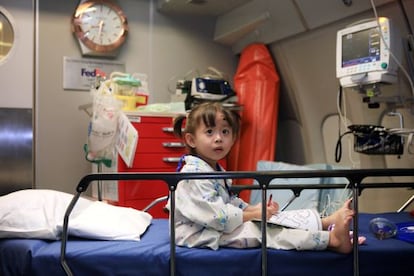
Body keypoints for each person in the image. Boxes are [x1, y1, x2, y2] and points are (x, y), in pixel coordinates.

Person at [167, 101, 354, 253]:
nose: (218, 138)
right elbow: (217, 217)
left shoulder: (213, 170)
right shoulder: (193, 176)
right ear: (191, 140)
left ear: (233, 138)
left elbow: (229, 202)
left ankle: (325, 222)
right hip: (199, 233)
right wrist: (255, 215)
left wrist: (254, 208)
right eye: (210, 132)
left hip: (214, 226)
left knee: (274, 218)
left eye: (225, 132)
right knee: (261, 230)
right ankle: (331, 239)